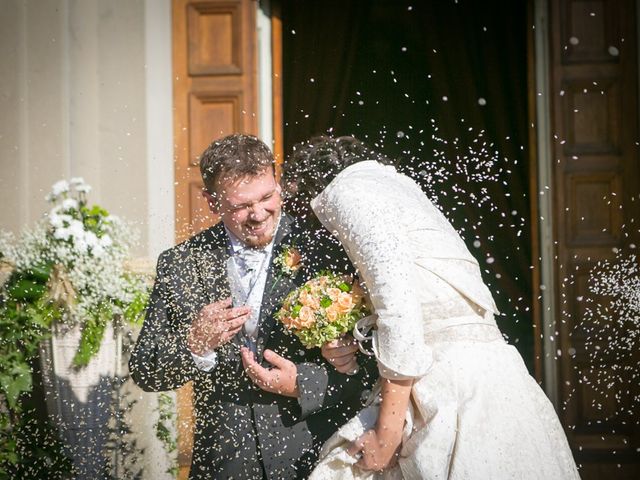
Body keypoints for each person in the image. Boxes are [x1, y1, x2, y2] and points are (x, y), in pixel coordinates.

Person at [280, 136, 581, 479]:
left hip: (447, 387)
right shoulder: (397, 185)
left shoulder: (344, 193)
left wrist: (387, 434)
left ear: (308, 187)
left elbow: (399, 312)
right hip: (496, 376)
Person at [129, 134, 375, 479]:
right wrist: (196, 344)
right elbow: (147, 371)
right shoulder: (181, 263)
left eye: (267, 197)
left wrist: (302, 383)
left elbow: (379, 367)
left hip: (318, 453)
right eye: (241, 206)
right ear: (212, 202)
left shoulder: (328, 248)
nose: (258, 214)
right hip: (226, 459)